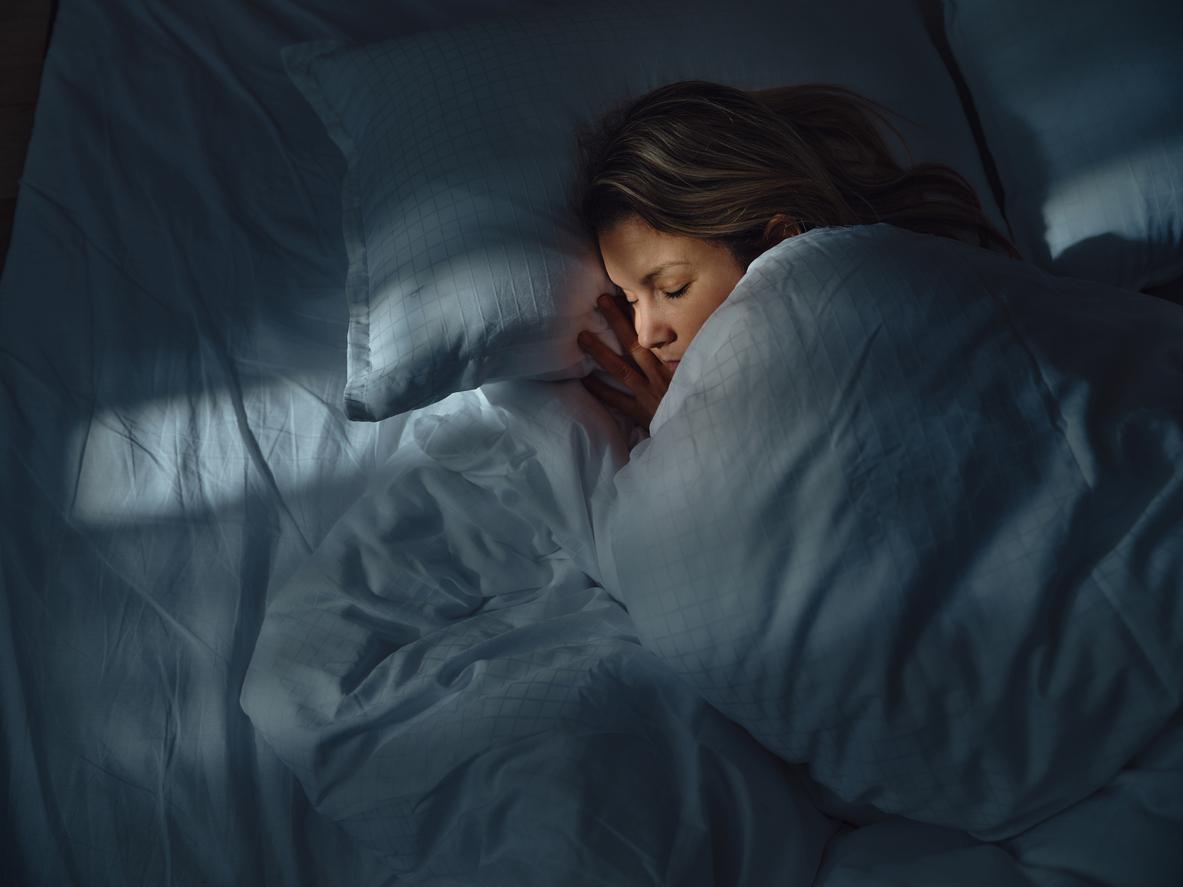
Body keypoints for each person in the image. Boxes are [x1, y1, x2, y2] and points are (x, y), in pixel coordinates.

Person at [572, 80, 1018, 433]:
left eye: (673, 289)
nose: (645, 334)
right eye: (629, 298)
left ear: (776, 244)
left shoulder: (916, 289)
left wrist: (683, 433)